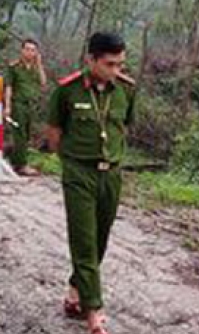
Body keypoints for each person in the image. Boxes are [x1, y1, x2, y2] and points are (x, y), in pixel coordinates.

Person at [45, 32, 136, 334]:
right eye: (109, 64)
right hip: (79, 173)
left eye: (120, 64)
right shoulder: (67, 91)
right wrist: (71, 164)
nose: (116, 70)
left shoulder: (126, 90)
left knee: (100, 239)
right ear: (91, 60)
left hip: (111, 173)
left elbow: (124, 127)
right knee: (84, 241)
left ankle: (75, 293)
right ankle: (93, 312)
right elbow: (54, 133)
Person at [4, 38, 48, 176]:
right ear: (22, 50)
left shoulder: (35, 68)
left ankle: (17, 161)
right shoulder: (14, 67)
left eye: (33, 50)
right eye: (27, 49)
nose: (30, 52)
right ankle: (20, 165)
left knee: (27, 134)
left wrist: (40, 64)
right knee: (19, 134)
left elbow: (43, 83)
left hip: (31, 105)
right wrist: (7, 106)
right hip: (18, 104)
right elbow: (9, 87)